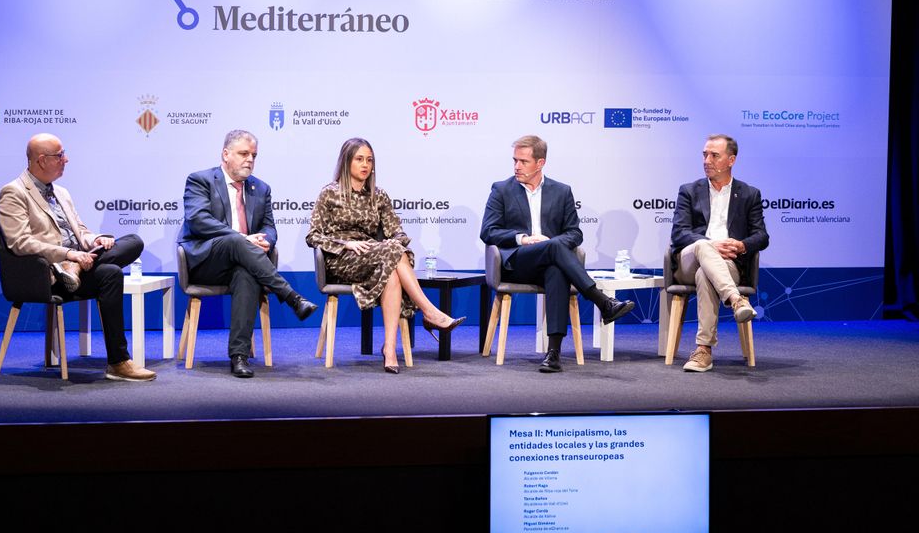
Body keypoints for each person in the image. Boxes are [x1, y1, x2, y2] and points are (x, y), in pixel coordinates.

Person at [0, 133, 155, 382]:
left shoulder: (61, 192)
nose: (66, 159)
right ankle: (119, 361)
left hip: (79, 263)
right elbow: (20, 243)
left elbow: (79, 231)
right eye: (59, 155)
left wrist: (96, 241)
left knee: (133, 242)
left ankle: (117, 364)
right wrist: (69, 254)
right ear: (41, 160)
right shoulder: (14, 192)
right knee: (110, 272)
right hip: (48, 274)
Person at [306, 138, 466, 373]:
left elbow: (397, 232)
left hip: (373, 256)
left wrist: (393, 242)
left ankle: (389, 348)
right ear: (346, 161)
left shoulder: (378, 196)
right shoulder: (329, 194)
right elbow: (313, 236)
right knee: (392, 253)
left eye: (369, 160)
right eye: (359, 159)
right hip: (341, 260)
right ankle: (429, 312)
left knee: (392, 266)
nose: (365, 165)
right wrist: (346, 243)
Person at [480, 135, 635, 372]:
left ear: (540, 163)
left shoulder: (561, 191)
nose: (516, 166)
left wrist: (550, 242)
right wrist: (523, 238)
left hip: (549, 262)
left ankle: (553, 353)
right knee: (555, 251)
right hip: (517, 263)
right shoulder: (501, 189)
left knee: (556, 270)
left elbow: (574, 233)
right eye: (515, 161)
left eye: (523, 161)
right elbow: (488, 231)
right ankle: (602, 301)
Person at [178, 129, 318, 378]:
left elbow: (269, 227)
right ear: (226, 154)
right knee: (236, 242)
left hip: (242, 262)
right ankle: (291, 296)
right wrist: (243, 238)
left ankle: (239, 356)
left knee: (247, 273)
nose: (250, 160)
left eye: (254, 155)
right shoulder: (200, 180)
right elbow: (198, 220)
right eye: (244, 153)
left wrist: (265, 241)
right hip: (205, 261)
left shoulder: (260, 188)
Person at [670, 134, 769, 372]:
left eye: (714, 155)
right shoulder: (689, 191)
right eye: (704, 154)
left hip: (727, 264)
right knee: (705, 247)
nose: (707, 160)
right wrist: (710, 244)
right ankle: (736, 300)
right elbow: (679, 233)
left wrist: (741, 245)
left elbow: (762, 236)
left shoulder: (749, 194)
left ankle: (703, 351)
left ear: (731, 160)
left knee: (707, 274)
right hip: (689, 260)